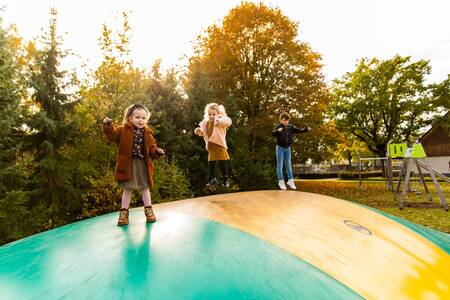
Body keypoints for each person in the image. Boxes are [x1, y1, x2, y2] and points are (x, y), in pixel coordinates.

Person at [103, 104, 164, 226]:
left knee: (145, 188)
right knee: (127, 189)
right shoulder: (122, 130)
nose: (141, 120)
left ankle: (149, 211)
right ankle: (124, 214)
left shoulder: (148, 135)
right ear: (130, 118)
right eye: (137, 117)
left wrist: (157, 152)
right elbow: (111, 136)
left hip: (142, 165)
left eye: (143, 118)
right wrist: (108, 125)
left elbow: (151, 150)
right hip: (128, 165)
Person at [194, 103, 232, 188]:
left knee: (223, 162)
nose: (211, 116)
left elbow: (228, 121)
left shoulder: (221, 120)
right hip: (211, 146)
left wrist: (218, 120)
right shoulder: (206, 123)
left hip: (219, 145)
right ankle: (212, 179)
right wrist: (198, 131)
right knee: (211, 163)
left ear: (218, 114)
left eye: (214, 114)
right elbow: (204, 133)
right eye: (209, 114)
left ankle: (225, 180)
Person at [272, 112, 309, 190]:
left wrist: (305, 129)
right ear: (281, 120)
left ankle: (291, 180)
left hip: (287, 148)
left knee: (288, 164)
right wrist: (278, 131)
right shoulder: (278, 127)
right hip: (280, 148)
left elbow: (299, 130)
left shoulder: (290, 127)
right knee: (280, 165)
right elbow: (273, 133)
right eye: (284, 120)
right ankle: (281, 181)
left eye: (287, 120)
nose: (286, 122)